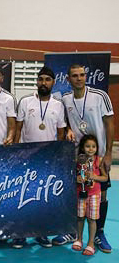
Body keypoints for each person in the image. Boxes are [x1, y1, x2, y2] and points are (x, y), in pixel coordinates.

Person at [54, 64, 114, 252]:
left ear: (85, 76)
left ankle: (99, 233)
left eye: (81, 75)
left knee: (100, 194)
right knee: (76, 193)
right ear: (68, 79)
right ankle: (73, 232)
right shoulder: (64, 99)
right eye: (74, 76)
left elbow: (110, 124)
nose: (79, 78)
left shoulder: (99, 96)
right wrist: (69, 130)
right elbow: (62, 120)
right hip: (78, 158)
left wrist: (109, 153)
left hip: (99, 156)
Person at [12, 66, 66, 249]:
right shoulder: (26, 102)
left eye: (47, 79)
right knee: (23, 197)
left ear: (53, 82)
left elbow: (60, 133)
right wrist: (16, 153)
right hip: (27, 157)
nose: (44, 82)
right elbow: (18, 129)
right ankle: (20, 234)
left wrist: (57, 157)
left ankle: (41, 233)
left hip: (48, 159)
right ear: (37, 81)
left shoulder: (58, 105)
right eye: (41, 79)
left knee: (43, 198)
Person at [72, 135, 107, 256]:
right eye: (87, 146)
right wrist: (76, 178)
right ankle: (79, 239)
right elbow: (72, 175)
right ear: (82, 147)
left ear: (97, 148)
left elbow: (105, 178)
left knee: (92, 219)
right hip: (80, 193)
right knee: (80, 218)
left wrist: (94, 177)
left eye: (93, 146)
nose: (91, 149)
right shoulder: (78, 160)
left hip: (94, 195)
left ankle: (91, 243)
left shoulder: (99, 160)